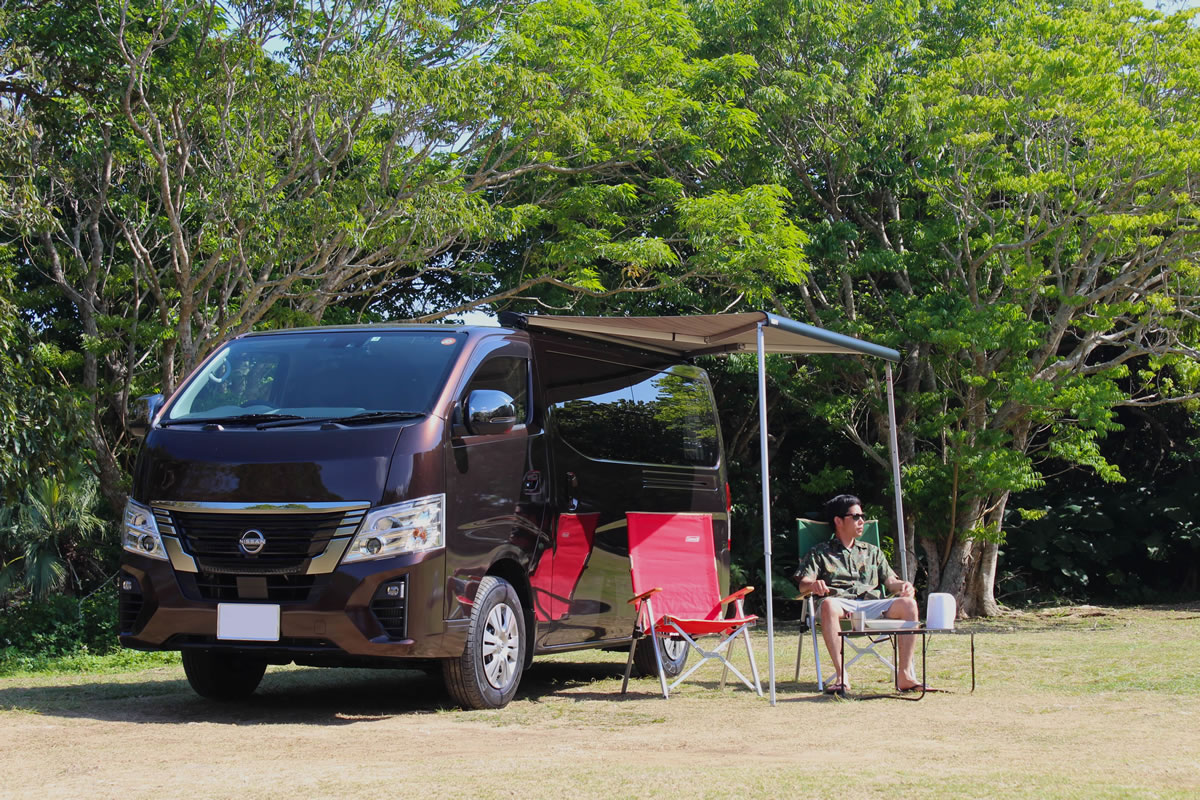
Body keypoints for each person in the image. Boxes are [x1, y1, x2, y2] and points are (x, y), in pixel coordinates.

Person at [793, 493, 922, 696]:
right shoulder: (820, 552)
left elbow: (890, 582)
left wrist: (903, 586)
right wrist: (814, 585)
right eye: (855, 516)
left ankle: (905, 675)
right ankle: (841, 675)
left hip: (872, 605)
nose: (861, 521)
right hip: (840, 605)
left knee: (909, 604)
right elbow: (803, 585)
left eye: (862, 516)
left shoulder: (873, 552)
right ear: (838, 521)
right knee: (828, 605)